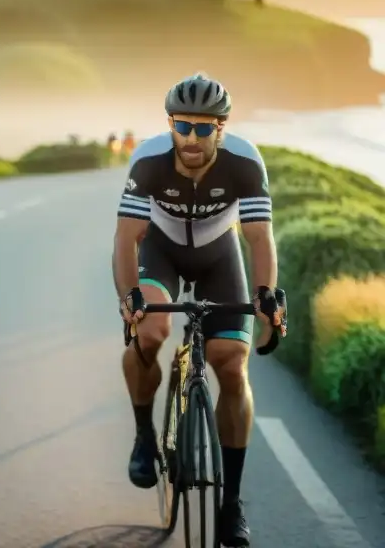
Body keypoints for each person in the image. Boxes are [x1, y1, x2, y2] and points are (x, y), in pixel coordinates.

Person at [111, 72, 285, 548]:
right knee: (149, 333)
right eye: (182, 125)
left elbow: (257, 238)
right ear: (170, 123)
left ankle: (231, 503)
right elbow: (127, 238)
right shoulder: (147, 159)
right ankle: (145, 433)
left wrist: (267, 292)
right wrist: (130, 297)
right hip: (161, 252)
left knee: (231, 364)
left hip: (218, 255)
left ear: (221, 128)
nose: (191, 137)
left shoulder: (245, 163)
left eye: (204, 128)